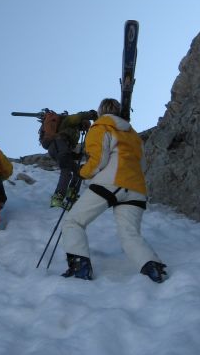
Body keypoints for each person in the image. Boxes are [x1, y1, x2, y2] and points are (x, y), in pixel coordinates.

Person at [60, 98, 167, 283]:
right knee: (130, 234)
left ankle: (80, 267)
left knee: (73, 222)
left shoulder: (100, 127)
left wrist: (82, 172)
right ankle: (153, 269)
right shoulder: (134, 135)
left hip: (110, 183)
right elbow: (142, 164)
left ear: (100, 111)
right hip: (136, 187)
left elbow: (99, 160)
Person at [47, 109, 98, 208]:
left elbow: (67, 150)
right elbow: (78, 116)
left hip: (60, 149)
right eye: (84, 125)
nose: (84, 128)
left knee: (79, 171)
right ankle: (57, 198)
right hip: (58, 145)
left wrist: (77, 156)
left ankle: (71, 194)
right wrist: (90, 115)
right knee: (66, 171)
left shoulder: (75, 133)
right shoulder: (69, 121)